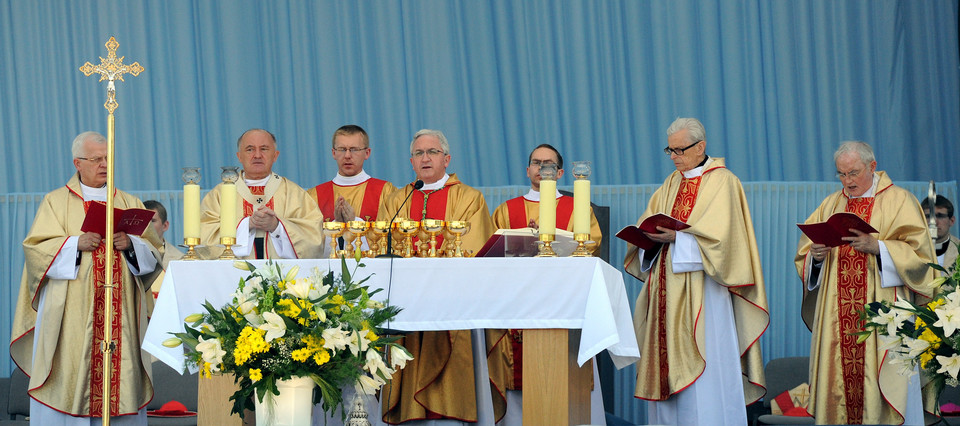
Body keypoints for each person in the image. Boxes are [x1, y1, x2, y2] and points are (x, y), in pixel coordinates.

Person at [623, 118, 769, 425]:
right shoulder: (670, 183)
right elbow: (650, 223)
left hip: (706, 293)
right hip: (665, 289)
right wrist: (645, 240)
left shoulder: (723, 181)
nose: (674, 156)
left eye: (680, 149)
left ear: (700, 147)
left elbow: (729, 243)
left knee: (707, 372)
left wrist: (679, 237)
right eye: (670, 150)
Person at [10, 131, 162, 424]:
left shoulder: (130, 201)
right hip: (71, 320)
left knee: (120, 384)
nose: (104, 164)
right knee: (69, 379)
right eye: (96, 159)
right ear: (77, 163)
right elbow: (35, 251)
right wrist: (73, 244)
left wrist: (132, 245)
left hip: (122, 319)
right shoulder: (55, 202)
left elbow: (154, 255)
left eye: (108, 158)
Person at [796, 141, 937, 424]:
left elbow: (922, 259)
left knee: (885, 387)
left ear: (872, 167)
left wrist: (881, 248)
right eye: (841, 174)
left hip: (884, 315)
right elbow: (805, 255)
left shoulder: (900, 200)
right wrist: (818, 257)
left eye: (853, 173)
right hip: (839, 320)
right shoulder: (831, 204)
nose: (847, 182)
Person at [377, 129, 495, 424]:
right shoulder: (398, 199)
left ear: (447, 159)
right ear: (411, 161)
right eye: (419, 153)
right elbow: (383, 245)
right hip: (404, 302)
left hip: (451, 302)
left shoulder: (469, 198)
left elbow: (474, 248)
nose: (425, 158)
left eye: (432, 152)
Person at [486, 143, 603, 421]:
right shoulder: (507, 210)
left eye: (549, 164)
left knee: (564, 375)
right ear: (528, 170)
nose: (542, 168)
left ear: (560, 172)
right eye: (536, 163)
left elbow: (589, 247)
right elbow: (491, 253)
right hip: (516, 307)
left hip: (563, 303)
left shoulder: (578, 209)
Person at [199, 128, 324, 260]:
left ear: (275, 155)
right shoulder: (219, 195)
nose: (257, 155)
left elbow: (313, 238)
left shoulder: (294, 194)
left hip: (283, 277)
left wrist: (277, 226)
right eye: (250, 149)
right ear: (239, 156)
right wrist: (247, 224)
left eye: (264, 149)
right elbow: (205, 236)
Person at [307, 125, 396, 256]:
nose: (347, 155)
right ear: (333, 153)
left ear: (367, 153)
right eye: (342, 149)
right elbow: (308, 246)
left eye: (354, 149)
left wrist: (354, 223)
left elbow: (393, 241)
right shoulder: (313, 195)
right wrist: (336, 225)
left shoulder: (386, 191)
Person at [143, 200, 184, 292]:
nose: (147, 226)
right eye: (144, 220)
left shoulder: (178, 259)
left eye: (152, 221)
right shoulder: (128, 256)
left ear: (165, 226)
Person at [922, 195, 959, 271]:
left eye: (940, 216)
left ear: (951, 221)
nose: (934, 222)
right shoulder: (911, 249)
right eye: (928, 216)